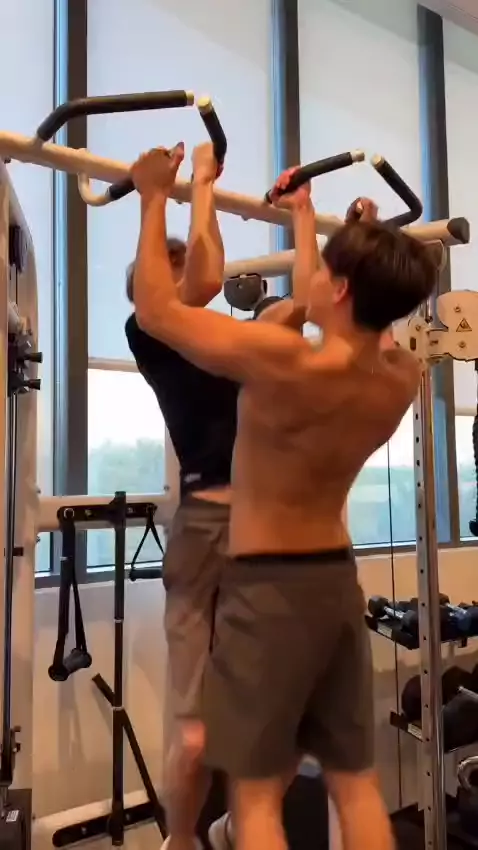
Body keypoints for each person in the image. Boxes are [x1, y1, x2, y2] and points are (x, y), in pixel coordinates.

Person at [131, 140, 437, 850]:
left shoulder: (282, 361)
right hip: (335, 584)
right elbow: (341, 310)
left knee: (257, 797)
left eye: (326, 270)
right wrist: (310, 220)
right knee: (356, 785)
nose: (312, 278)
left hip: (268, 591)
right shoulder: (401, 376)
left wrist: (152, 196)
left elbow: (156, 310)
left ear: (341, 290)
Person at [125, 149, 296, 850]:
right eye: (165, 266)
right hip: (207, 524)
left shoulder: (224, 341)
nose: (186, 273)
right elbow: (191, 283)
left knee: (275, 723)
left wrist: (201, 189)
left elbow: (234, 288)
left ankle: (226, 830)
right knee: (194, 736)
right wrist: (162, 194)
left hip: (258, 525)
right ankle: (183, 840)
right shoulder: (149, 329)